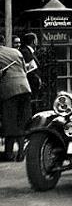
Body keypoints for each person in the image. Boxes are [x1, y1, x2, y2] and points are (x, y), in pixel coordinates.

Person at [0, 33, 32, 161]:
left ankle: (9, 154)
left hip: (9, 91)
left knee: (10, 123)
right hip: (24, 88)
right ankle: (21, 152)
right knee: (22, 122)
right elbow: (24, 70)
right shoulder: (15, 52)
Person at [20, 32, 42, 99]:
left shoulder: (29, 52)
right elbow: (30, 69)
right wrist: (37, 79)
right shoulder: (26, 52)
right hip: (31, 84)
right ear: (34, 41)